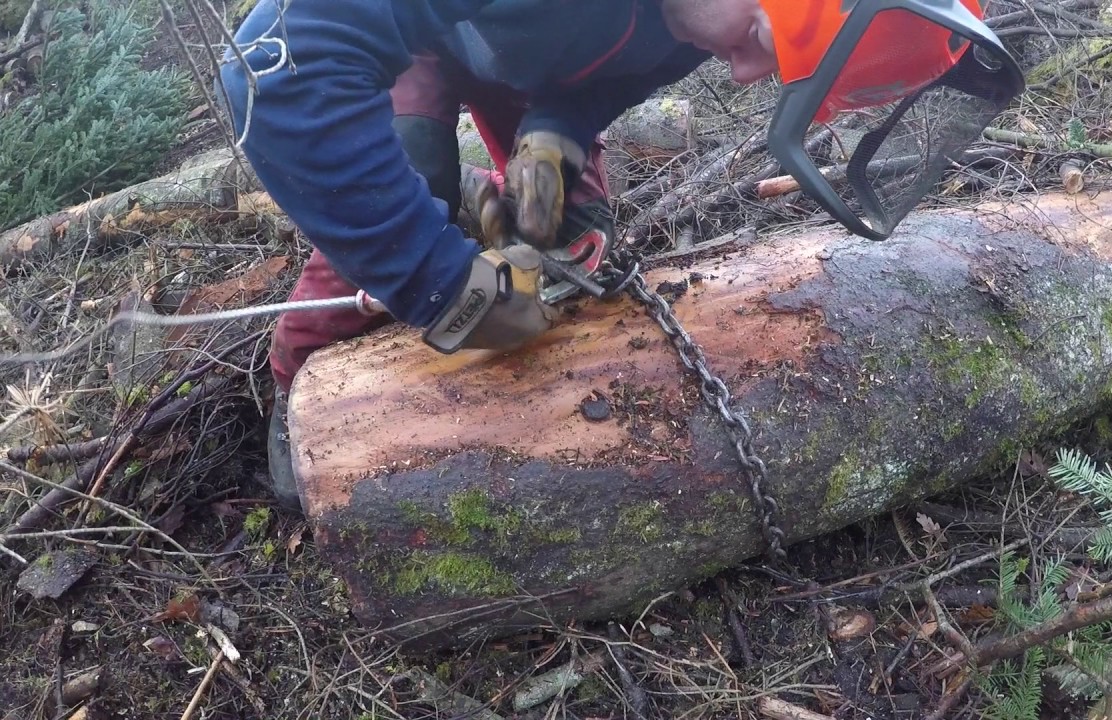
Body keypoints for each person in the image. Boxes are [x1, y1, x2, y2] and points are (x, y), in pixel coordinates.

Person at [218, 0, 1024, 512]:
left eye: (775, 65)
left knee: (567, 225)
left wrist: (558, 130)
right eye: (757, 38)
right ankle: (296, 376)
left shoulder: (703, 12)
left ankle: (487, 203)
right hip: (416, 36)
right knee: (397, 196)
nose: (744, 71)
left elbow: (630, 64)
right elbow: (276, 67)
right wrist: (437, 285)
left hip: (534, 44)